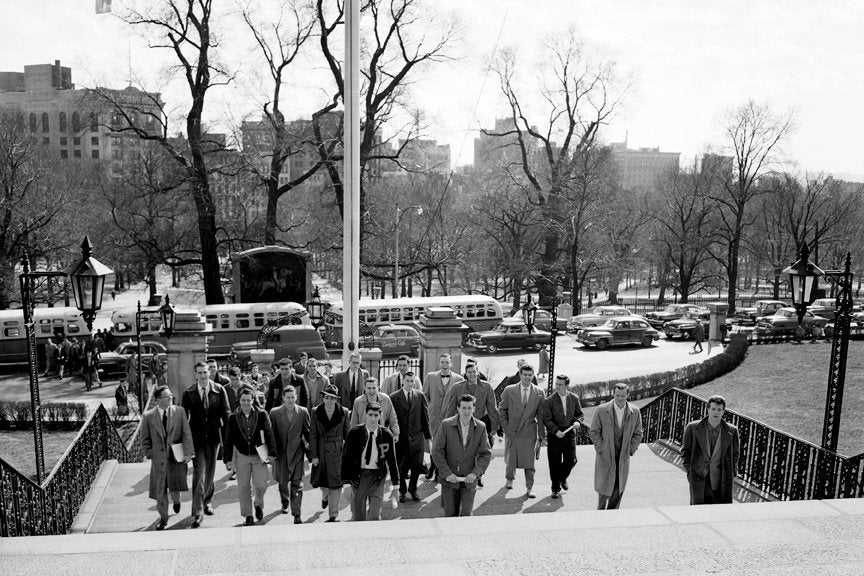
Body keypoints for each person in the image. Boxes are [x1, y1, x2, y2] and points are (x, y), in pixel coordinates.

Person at [181, 361, 231, 528]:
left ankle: (207, 501)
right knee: (198, 473)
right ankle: (197, 510)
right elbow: (184, 421)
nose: (203, 375)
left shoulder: (219, 390)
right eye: (199, 373)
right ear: (195, 374)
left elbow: (226, 414)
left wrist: (227, 441)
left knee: (210, 471)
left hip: (214, 438)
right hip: (197, 439)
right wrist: (186, 443)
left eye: (205, 372)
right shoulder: (188, 393)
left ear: (209, 372)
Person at [140, 385, 193, 530]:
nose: (170, 398)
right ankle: (163, 518)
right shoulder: (149, 416)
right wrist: (150, 453)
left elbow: (186, 433)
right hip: (159, 461)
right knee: (160, 490)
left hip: (175, 458)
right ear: (158, 400)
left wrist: (189, 453)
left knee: (175, 488)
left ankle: (176, 501)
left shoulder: (179, 411)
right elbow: (145, 438)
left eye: (171, 396)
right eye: (166, 396)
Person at [432, 394, 492, 517]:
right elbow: (437, 451)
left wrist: (475, 473)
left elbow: (486, 454)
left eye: (469, 408)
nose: (466, 411)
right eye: (463, 408)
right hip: (449, 479)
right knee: (450, 515)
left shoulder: (480, 427)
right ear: (458, 408)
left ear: (474, 409)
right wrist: (447, 472)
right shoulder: (446, 425)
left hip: (469, 479)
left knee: (466, 515)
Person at [224, 387, 276, 526]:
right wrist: (227, 459)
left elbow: (269, 433)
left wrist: (272, 453)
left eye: (249, 400)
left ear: (253, 400)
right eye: (243, 400)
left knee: (261, 484)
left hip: (259, 455)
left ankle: (258, 503)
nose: (246, 403)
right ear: (239, 401)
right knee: (243, 487)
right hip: (241, 456)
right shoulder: (233, 417)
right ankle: (248, 515)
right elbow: (228, 439)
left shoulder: (262, 414)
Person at [589, 382, 644, 510]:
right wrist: (601, 448)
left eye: (623, 396)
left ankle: (613, 515)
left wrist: (631, 449)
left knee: (619, 488)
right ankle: (600, 514)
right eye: (617, 395)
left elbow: (638, 433)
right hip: (606, 455)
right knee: (603, 488)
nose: (620, 398)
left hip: (623, 456)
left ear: (628, 395)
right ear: (613, 394)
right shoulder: (602, 409)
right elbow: (594, 431)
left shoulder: (635, 411)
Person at [341, 402, 400, 521]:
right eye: (370, 415)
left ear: (380, 416)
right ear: (365, 415)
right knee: (359, 516)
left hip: (378, 477)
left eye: (376, 415)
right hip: (359, 477)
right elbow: (346, 459)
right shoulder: (354, 432)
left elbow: (392, 461)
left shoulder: (386, 434)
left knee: (374, 516)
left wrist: (396, 486)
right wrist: (346, 484)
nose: (373, 418)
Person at [681, 395, 739, 505]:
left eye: (719, 410)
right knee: (698, 513)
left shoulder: (732, 431)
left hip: (722, 480)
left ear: (723, 412)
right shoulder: (692, 428)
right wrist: (690, 471)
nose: (715, 412)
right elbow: (685, 452)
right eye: (713, 409)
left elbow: (735, 454)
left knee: (721, 514)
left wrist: (732, 473)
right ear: (708, 409)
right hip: (699, 478)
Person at [498, 363, 544, 498]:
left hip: (529, 431)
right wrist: (506, 427)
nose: (527, 378)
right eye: (525, 375)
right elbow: (502, 410)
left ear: (533, 375)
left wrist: (542, 435)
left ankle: (530, 488)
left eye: (530, 375)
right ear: (520, 374)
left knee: (529, 462)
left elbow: (541, 415)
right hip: (512, 429)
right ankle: (509, 479)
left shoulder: (539, 392)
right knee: (511, 458)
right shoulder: (509, 390)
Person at [309, 383, 350, 522]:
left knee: (336, 483)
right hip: (321, 450)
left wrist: (347, 456)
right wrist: (313, 455)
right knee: (323, 483)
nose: (330, 401)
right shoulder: (315, 411)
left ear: (336, 399)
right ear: (323, 398)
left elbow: (347, 435)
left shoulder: (344, 412)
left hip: (337, 452)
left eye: (333, 398)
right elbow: (313, 434)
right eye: (327, 397)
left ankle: (333, 514)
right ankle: (325, 495)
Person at [270, 385, 310, 523]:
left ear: (296, 397)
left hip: (297, 453)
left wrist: (312, 452)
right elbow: (271, 435)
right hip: (280, 455)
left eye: (293, 397)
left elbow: (308, 433)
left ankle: (297, 514)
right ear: (283, 398)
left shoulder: (303, 412)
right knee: (282, 483)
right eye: (288, 398)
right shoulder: (274, 413)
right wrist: (271, 453)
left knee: (297, 484)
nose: (291, 400)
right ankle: (284, 501)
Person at [389, 371, 430, 502]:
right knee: (401, 467)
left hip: (417, 438)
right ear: (402, 381)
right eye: (407, 381)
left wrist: (429, 438)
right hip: (401, 439)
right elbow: (390, 419)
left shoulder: (420, 395)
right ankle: (402, 491)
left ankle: (413, 489)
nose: (410, 383)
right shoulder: (394, 397)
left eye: (412, 381)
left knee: (417, 465)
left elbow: (425, 417)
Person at [540, 374, 584, 498]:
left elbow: (580, 414)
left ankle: (561, 478)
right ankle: (555, 489)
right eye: (556, 384)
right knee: (554, 463)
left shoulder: (574, 398)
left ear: (566, 385)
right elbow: (546, 419)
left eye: (560, 384)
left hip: (569, 434)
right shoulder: (549, 400)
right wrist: (555, 430)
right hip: (555, 435)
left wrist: (578, 422)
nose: (557, 386)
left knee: (572, 460)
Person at [423, 354, 465, 481]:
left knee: (447, 446)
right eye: (442, 362)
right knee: (434, 445)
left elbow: (461, 400)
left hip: (450, 418)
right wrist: (431, 408)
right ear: (439, 363)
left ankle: (440, 471)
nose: (445, 364)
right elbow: (425, 396)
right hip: (434, 418)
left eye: (447, 362)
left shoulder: (459, 379)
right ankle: (433, 469)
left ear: (451, 364)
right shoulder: (430, 377)